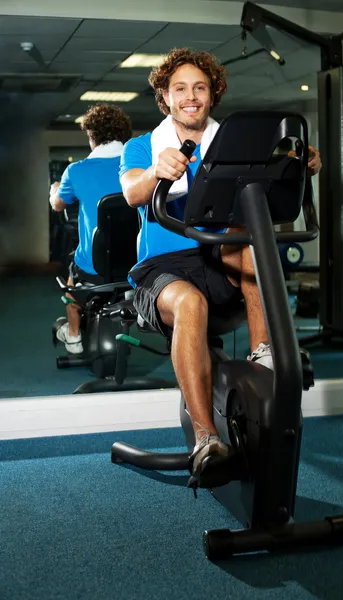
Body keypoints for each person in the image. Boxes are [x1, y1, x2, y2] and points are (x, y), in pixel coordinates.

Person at [119, 48, 322, 486]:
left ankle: (264, 352)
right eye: (180, 89)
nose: (191, 97)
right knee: (190, 305)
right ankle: (205, 440)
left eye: (200, 88)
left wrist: (302, 165)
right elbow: (134, 193)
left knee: (250, 237)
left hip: (216, 257)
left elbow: (273, 179)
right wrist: (158, 170)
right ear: (165, 97)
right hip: (161, 272)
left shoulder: (231, 142)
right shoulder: (142, 145)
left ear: (212, 95)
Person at [49, 104, 132, 354]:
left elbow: (57, 204)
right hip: (138, 261)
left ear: (92, 136)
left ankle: (73, 335)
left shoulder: (76, 170)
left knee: (73, 276)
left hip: (95, 266)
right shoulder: (139, 166)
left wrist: (55, 187)